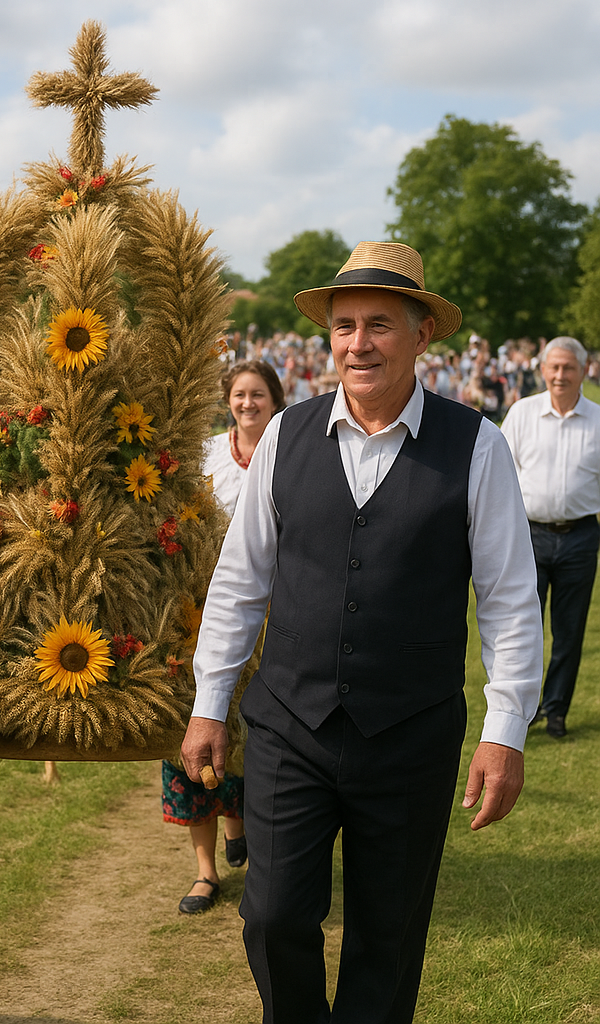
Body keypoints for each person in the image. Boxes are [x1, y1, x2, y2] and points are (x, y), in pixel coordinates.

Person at [181, 241, 543, 1024]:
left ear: (421, 335)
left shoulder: (476, 445)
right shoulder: (284, 437)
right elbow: (240, 582)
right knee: (274, 917)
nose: (358, 342)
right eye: (345, 326)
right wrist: (211, 703)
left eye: (380, 324)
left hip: (410, 732)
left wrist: (505, 730)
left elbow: (511, 599)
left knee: (388, 935)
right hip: (288, 726)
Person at [165, 360, 285, 914]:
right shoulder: (208, 455)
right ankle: (205, 872)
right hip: (200, 611)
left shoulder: (295, 450)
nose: (247, 403)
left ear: (274, 399)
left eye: (258, 394)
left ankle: (250, 838)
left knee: (253, 731)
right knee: (195, 723)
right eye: (238, 394)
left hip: (276, 616)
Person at [501, 336, 600, 739]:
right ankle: (520, 713)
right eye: (553, 368)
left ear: (583, 371)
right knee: (523, 627)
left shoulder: (597, 419)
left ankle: (556, 709)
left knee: (569, 629)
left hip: (580, 536)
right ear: (542, 370)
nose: (560, 375)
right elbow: (501, 473)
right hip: (530, 536)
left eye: (568, 368)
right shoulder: (522, 413)